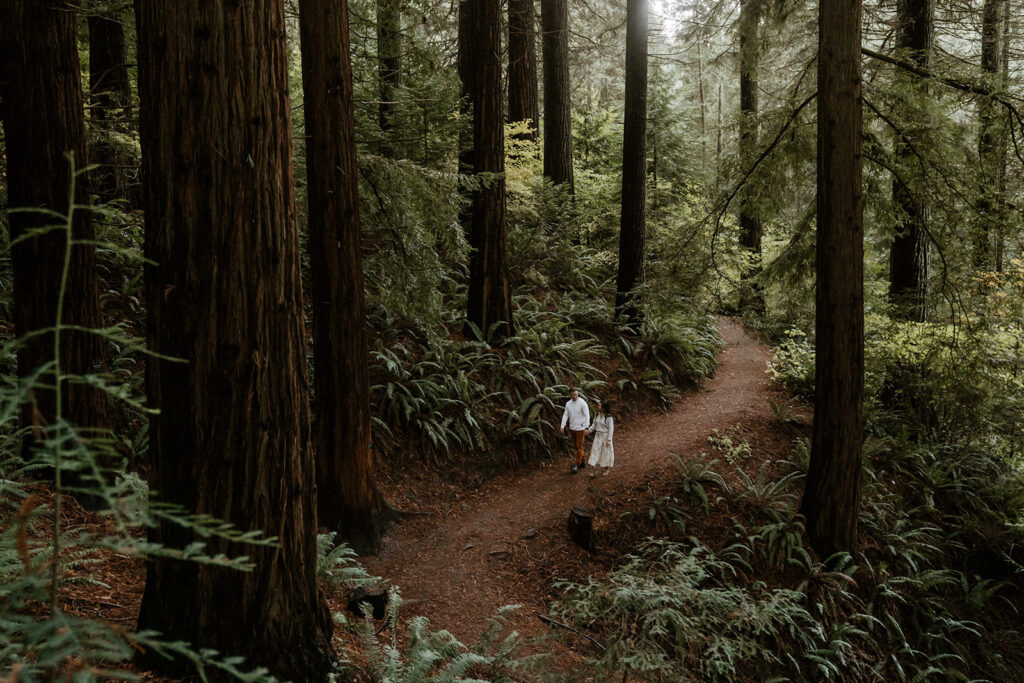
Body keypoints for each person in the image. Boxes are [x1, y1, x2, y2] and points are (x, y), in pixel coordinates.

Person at [560, 388, 590, 473]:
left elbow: (587, 415)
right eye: (573, 395)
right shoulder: (568, 404)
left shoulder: (582, 403)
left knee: (579, 446)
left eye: (576, 394)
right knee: (576, 446)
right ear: (570, 395)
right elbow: (565, 415)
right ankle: (583, 462)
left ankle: (577, 464)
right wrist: (562, 425)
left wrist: (586, 426)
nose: (575, 396)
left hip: (581, 428)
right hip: (572, 428)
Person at [587, 401, 614, 475]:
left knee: (606, 452)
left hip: (605, 436)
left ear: (603, 407)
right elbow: (594, 425)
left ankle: (607, 469)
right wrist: (589, 430)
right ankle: (594, 470)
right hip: (598, 436)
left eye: (599, 405)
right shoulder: (597, 414)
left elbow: (611, 429)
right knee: (595, 451)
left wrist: (609, 440)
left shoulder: (609, 417)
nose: (598, 407)